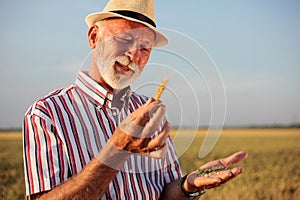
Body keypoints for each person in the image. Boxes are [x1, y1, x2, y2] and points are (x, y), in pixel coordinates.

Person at [22, 0, 248, 199]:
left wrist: (188, 186)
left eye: (144, 48)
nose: (134, 55)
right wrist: (118, 148)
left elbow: (164, 194)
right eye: (124, 38)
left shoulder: (149, 111)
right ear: (93, 37)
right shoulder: (47, 114)